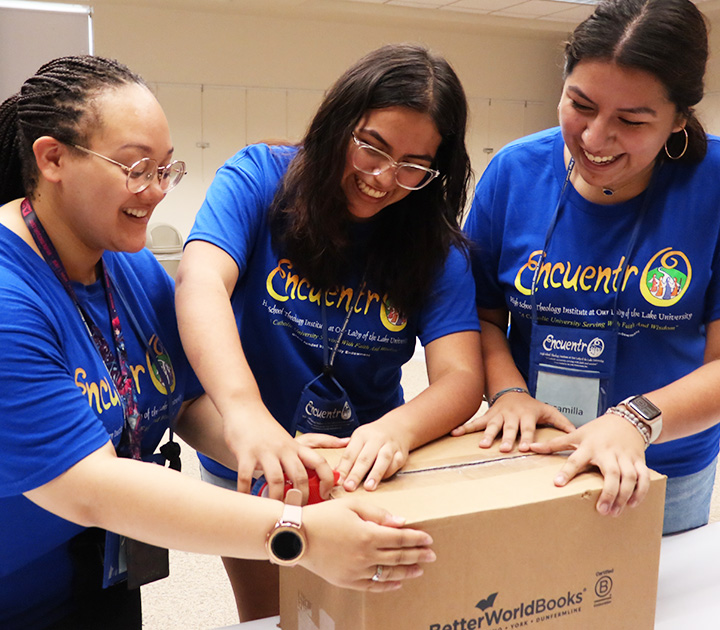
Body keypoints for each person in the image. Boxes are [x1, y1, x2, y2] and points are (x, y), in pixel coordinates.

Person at [0, 55, 438, 630]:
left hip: (94, 577)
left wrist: (281, 457)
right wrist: (298, 533)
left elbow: (180, 399)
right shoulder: (11, 301)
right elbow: (91, 488)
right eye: (136, 169)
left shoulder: (124, 266)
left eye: (165, 169)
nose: (155, 192)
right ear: (52, 158)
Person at [175, 43, 483, 620]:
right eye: (372, 146)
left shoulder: (434, 247)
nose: (384, 177)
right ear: (340, 122)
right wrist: (246, 415)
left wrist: (397, 430)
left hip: (358, 471)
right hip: (249, 455)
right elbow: (200, 282)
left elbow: (462, 376)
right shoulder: (261, 178)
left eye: (414, 164)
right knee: (276, 615)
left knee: (367, 615)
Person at [457, 0, 720, 535]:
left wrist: (636, 420)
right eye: (581, 105)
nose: (595, 139)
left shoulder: (712, 185)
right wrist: (508, 392)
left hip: (658, 469)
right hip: (538, 457)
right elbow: (481, 316)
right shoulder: (514, 172)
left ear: (678, 120)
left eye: (631, 121)